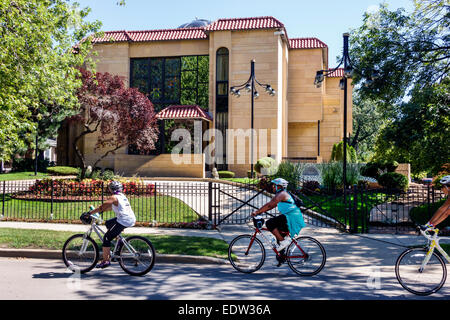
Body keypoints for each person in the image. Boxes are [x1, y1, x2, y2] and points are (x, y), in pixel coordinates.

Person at [251, 178, 305, 262]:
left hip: (291, 217)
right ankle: (282, 257)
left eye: (274, 185)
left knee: (270, 223)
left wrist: (257, 212)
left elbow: (270, 205)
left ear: (278, 186)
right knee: (278, 233)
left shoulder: (282, 194)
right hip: (291, 217)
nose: (272, 187)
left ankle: (283, 243)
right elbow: (272, 206)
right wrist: (260, 212)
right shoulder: (282, 194)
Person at [89, 181, 136, 269]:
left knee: (106, 237)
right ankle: (119, 243)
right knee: (108, 223)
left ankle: (105, 261)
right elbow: (110, 207)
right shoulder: (122, 196)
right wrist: (100, 211)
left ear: (111, 189)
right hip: (129, 218)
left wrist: (90, 213)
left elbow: (103, 207)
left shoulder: (114, 197)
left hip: (123, 220)